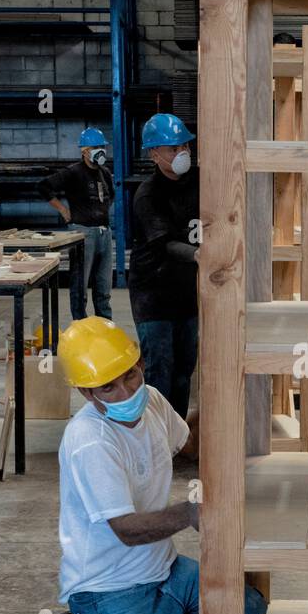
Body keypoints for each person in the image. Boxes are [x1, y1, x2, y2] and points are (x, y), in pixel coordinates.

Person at [53, 317, 269, 614]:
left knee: (250, 609)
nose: (126, 391)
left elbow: (188, 446)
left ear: (140, 366)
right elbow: (126, 531)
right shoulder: (90, 442)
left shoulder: (150, 399)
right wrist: (190, 513)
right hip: (109, 590)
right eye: (108, 387)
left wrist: (227, 394)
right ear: (87, 393)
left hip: (164, 571)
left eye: (130, 375)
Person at [129, 113, 200, 420]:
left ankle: (177, 435)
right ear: (154, 154)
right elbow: (163, 244)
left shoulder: (199, 181)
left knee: (185, 368)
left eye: (185, 145)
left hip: (186, 292)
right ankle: (156, 438)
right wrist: (199, 256)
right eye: (172, 148)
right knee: (160, 370)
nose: (181, 152)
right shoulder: (148, 194)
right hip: (153, 294)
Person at [40, 127, 115, 321]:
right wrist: (63, 210)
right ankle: (80, 326)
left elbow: (111, 196)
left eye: (102, 146)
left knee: (104, 287)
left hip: (104, 234)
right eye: (96, 147)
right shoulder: (73, 172)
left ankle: (105, 326)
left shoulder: (104, 173)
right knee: (80, 285)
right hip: (83, 234)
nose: (101, 150)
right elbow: (44, 186)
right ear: (84, 151)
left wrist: (99, 211)